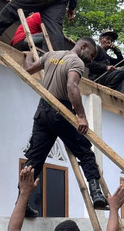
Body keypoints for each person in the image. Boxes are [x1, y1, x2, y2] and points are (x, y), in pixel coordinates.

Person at [22, 37, 107, 216]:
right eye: (90, 55)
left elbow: (28, 69)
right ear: (83, 46)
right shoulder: (76, 62)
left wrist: (28, 55)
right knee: (84, 151)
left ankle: (21, 204)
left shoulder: (50, 55)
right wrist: (81, 116)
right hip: (61, 111)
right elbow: (71, 85)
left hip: (42, 111)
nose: (90, 60)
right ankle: (96, 193)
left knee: (34, 160)